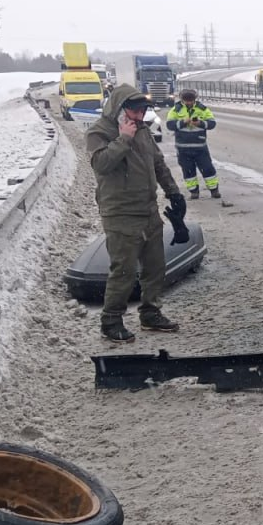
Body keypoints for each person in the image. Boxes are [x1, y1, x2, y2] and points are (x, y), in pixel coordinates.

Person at [86, 84, 186, 343]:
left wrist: (174, 193)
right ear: (120, 109)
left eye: (143, 111)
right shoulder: (100, 132)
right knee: (123, 271)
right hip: (120, 213)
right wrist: (123, 139)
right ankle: (111, 320)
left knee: (155, 267)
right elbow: (101, 165)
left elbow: (158, 163)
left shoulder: (142, 130)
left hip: (148, 209)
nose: (140, 117)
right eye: (135, 111)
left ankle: (150, 312)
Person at [166, 89, 220, 199]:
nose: (188, 103)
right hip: (183, 148)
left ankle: (214, 190)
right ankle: (194, 192)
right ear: (182, 100)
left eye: (190, 100)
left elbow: (212, 123)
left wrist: (200, 123)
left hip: (200, 147)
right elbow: (170, 125)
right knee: (188, 171)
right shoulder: (176, 110)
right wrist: (182, 122)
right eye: (186, 101)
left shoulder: (202, 109)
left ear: (194, 99)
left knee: (208, 169)